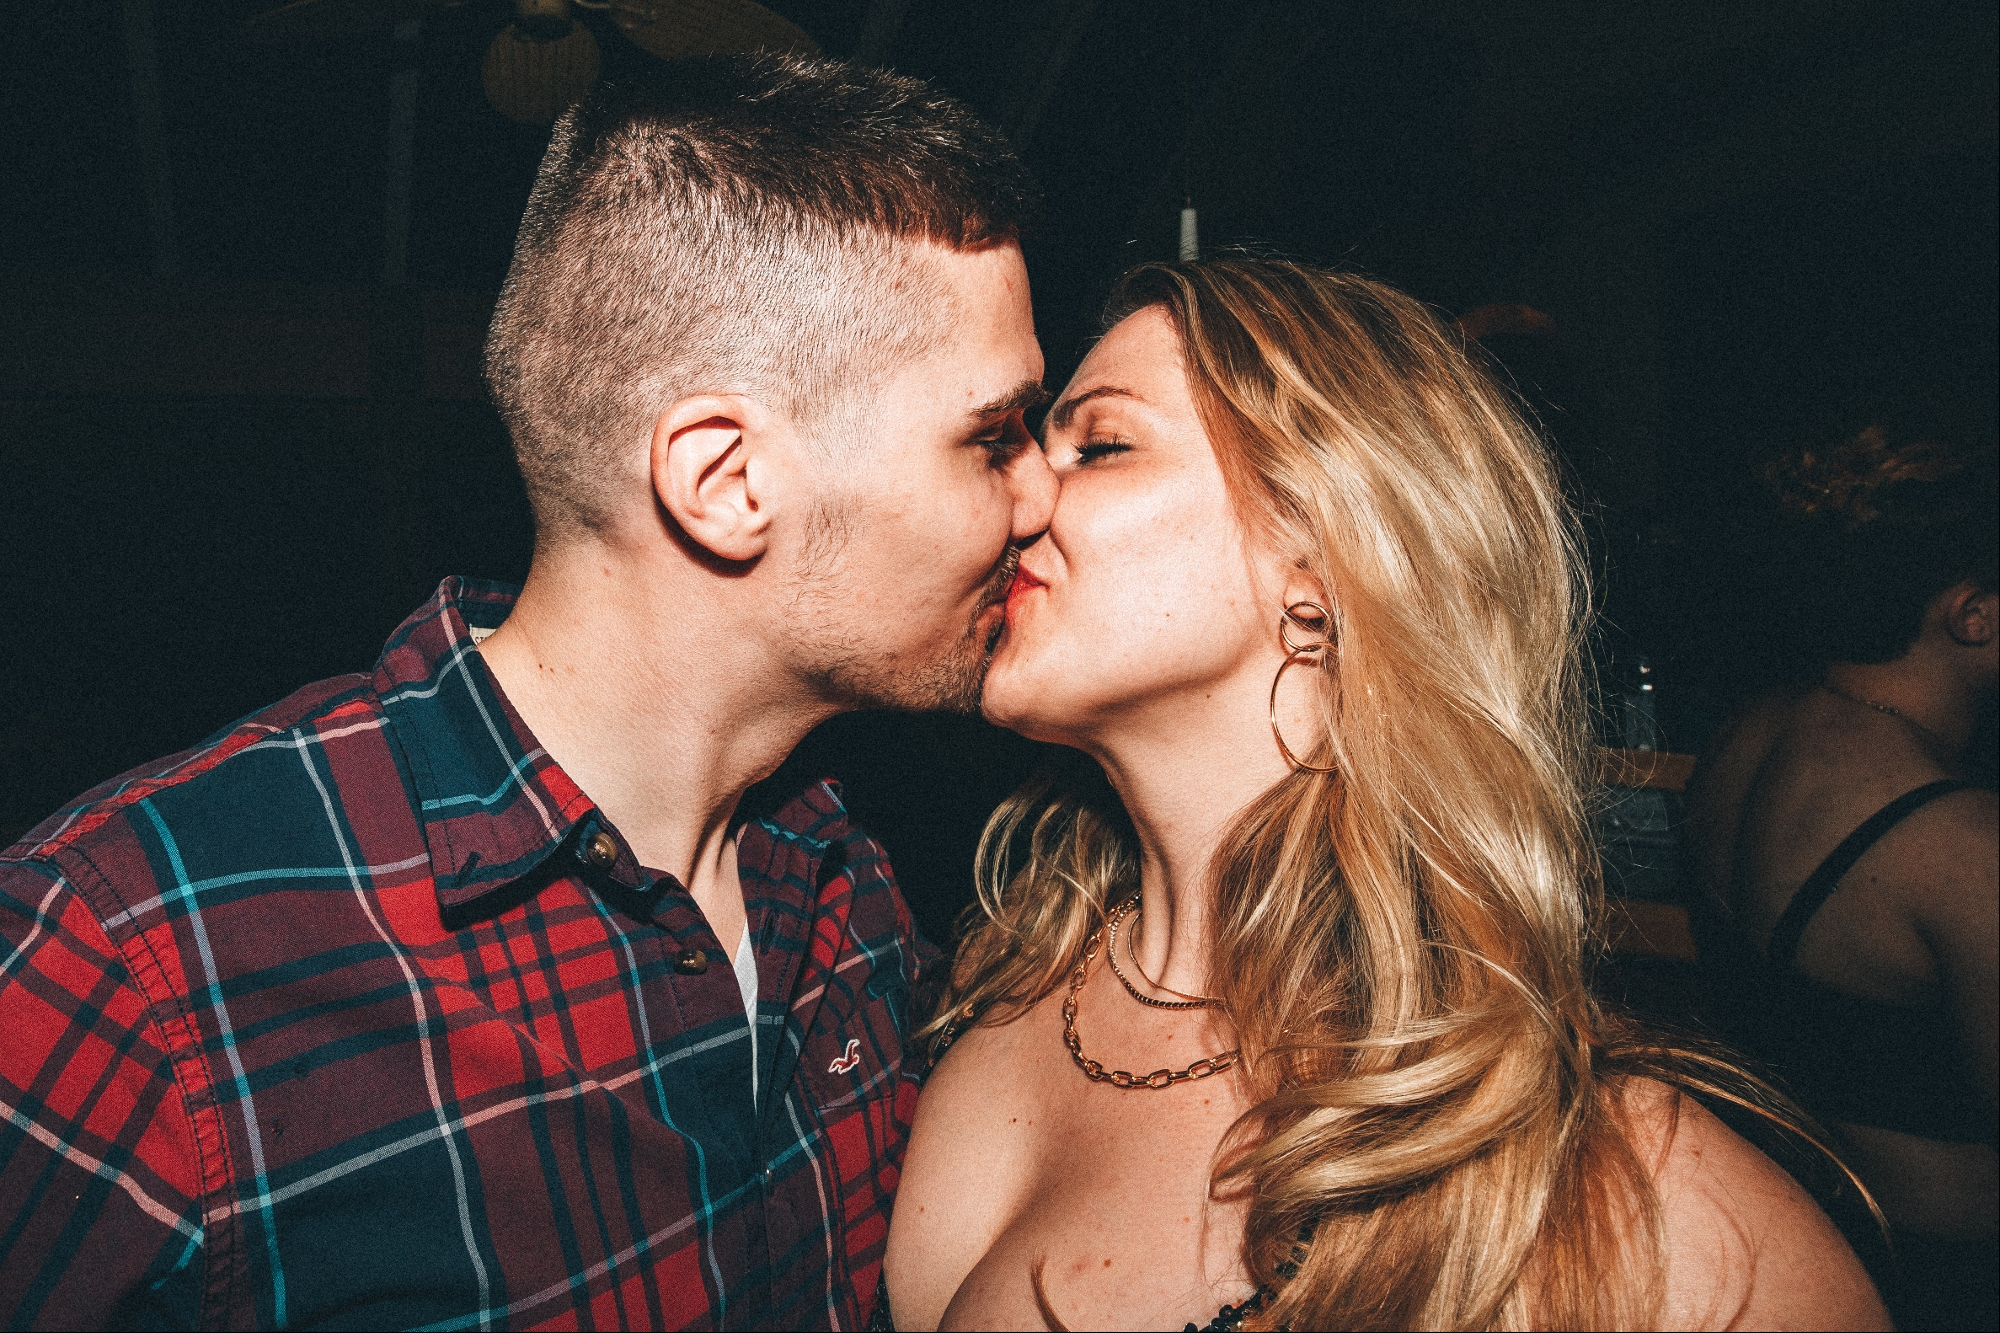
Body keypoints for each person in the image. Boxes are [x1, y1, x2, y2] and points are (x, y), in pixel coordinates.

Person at [0, 56, 1055, 1329]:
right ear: (725, 482)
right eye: (991, 437)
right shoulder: (130, 961)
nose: (1042, 492)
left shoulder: (845, 873)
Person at [883, 260, 1887, 1330]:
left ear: (1319, 574)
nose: (1019, 493)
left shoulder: (1614, 1204)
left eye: (1101, 445)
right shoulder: (990, 986)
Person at [1684, 413, 1997, 1331]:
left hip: (1789, 1220)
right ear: (1972, 615)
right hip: (1933, 1281)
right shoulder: (1961, 843)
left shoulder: (1747, 732)